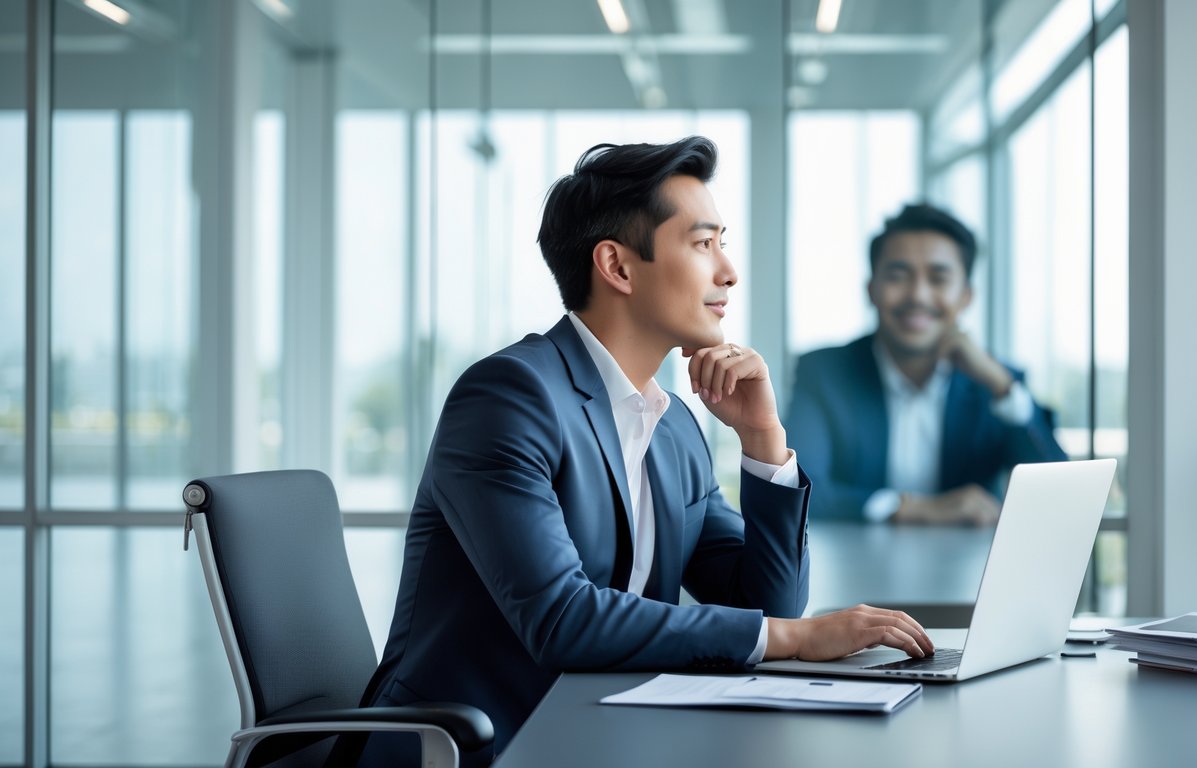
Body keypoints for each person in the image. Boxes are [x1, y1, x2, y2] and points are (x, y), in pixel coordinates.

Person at [362, 137, 934, 765]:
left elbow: (767, 605)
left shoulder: (674, 428)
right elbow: (563, 619)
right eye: (702, 244)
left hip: (607, 733)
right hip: (483, 744)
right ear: (619, 267)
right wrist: (796, 636)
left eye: (723, 243)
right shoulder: (509, 397)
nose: (728, 271)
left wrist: (763, 439)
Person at [786, 203, 1067, 526]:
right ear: (872, 290)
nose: (918, 295)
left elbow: (1058, 495)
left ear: (966, 297)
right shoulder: (824, 373)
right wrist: (911, 508)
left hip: (972, 574)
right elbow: (797, 491)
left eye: (938, 278)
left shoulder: (996, 382)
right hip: (850, 570)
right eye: (897, 276)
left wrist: (1002, 386)